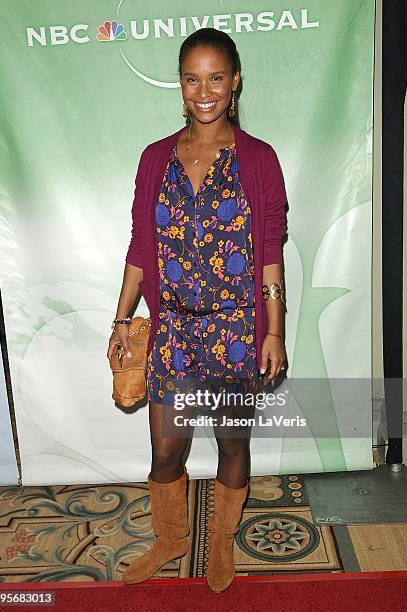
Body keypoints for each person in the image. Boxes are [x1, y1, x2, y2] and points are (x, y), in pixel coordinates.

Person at [107, 27, 287, 593]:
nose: (203, 90)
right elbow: (141, 245)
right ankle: (170, 538)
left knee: (232, 444)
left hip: (236, 330)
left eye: (215, 77)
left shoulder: (258, 160)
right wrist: (120, 320)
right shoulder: (155, 159)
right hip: (175, 331)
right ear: (180, 85)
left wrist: (274, 332)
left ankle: (221, 540)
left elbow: (269, 254)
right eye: (192, 78)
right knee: (166, 449)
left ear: (235, 82)